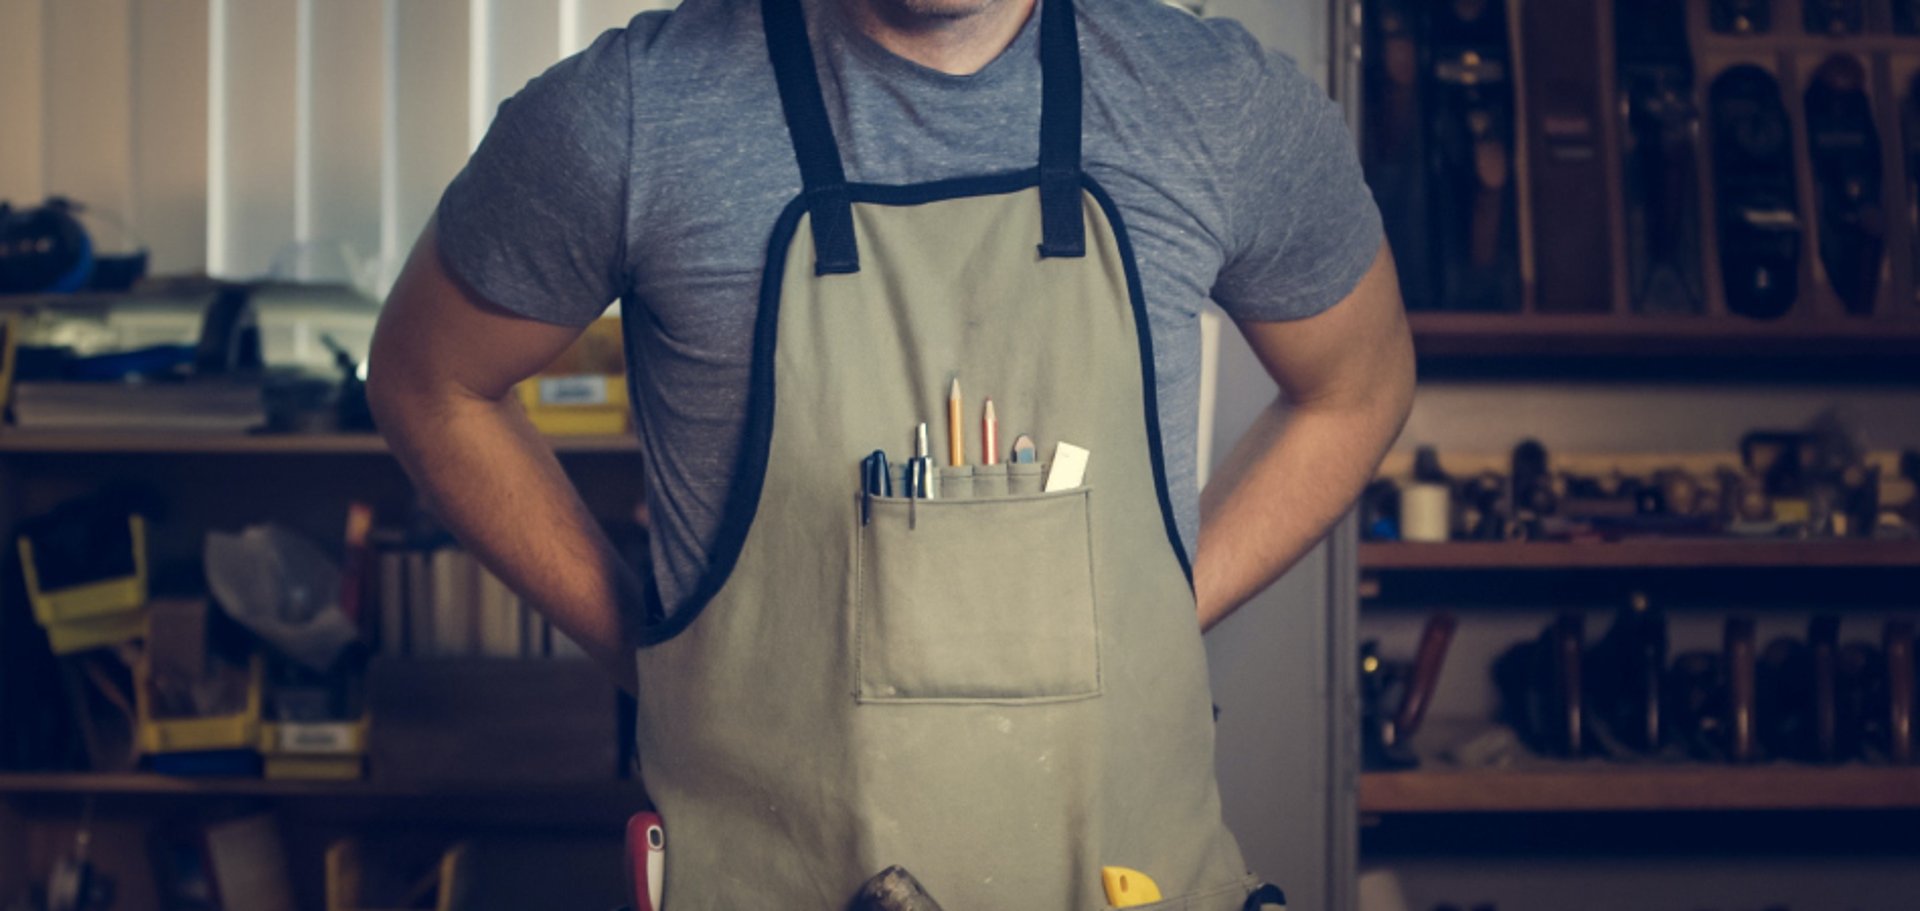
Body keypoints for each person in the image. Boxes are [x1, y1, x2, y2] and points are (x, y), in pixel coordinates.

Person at [368, 0, 1414, 905]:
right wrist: (658, 646)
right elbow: (428, 381)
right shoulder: (633, 113)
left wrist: (1157, 612)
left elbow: (1357, 386)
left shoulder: (1218, 100)